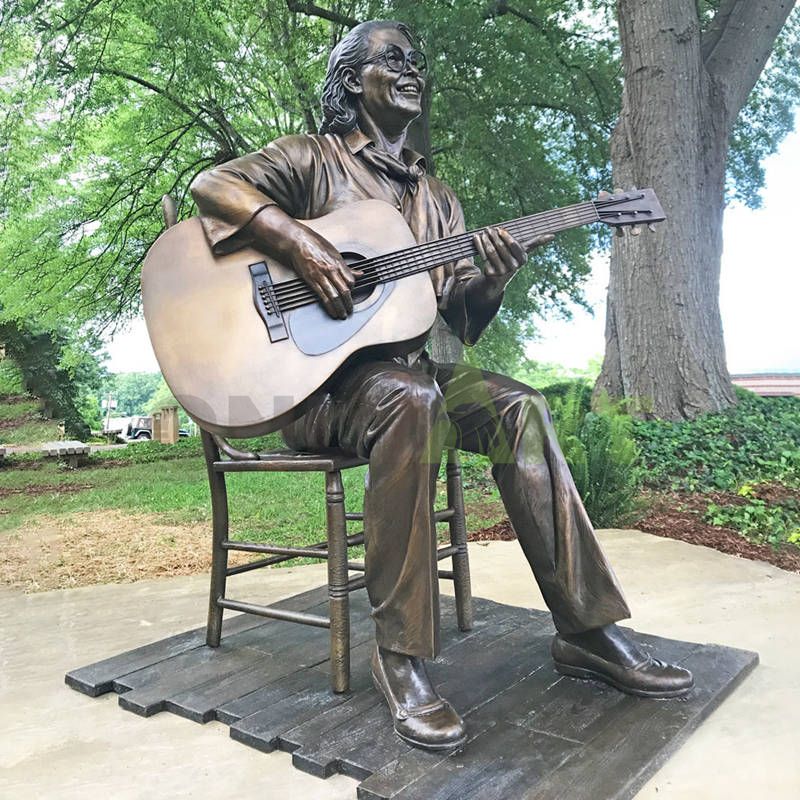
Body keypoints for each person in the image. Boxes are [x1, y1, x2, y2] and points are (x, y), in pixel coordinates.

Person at [191, 19, 692, 751]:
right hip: (317, 388)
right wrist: (300, 242)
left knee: (518, 407)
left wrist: (494, 274)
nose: (411, 68)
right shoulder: (311, 160)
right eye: (391, 58)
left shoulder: (440, 199)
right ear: (350, 80)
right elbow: (212, 185)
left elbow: (459, 316)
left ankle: (588, 630)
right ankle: (400, 657)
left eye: (416, 59)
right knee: (412, 401)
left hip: (409, 374)